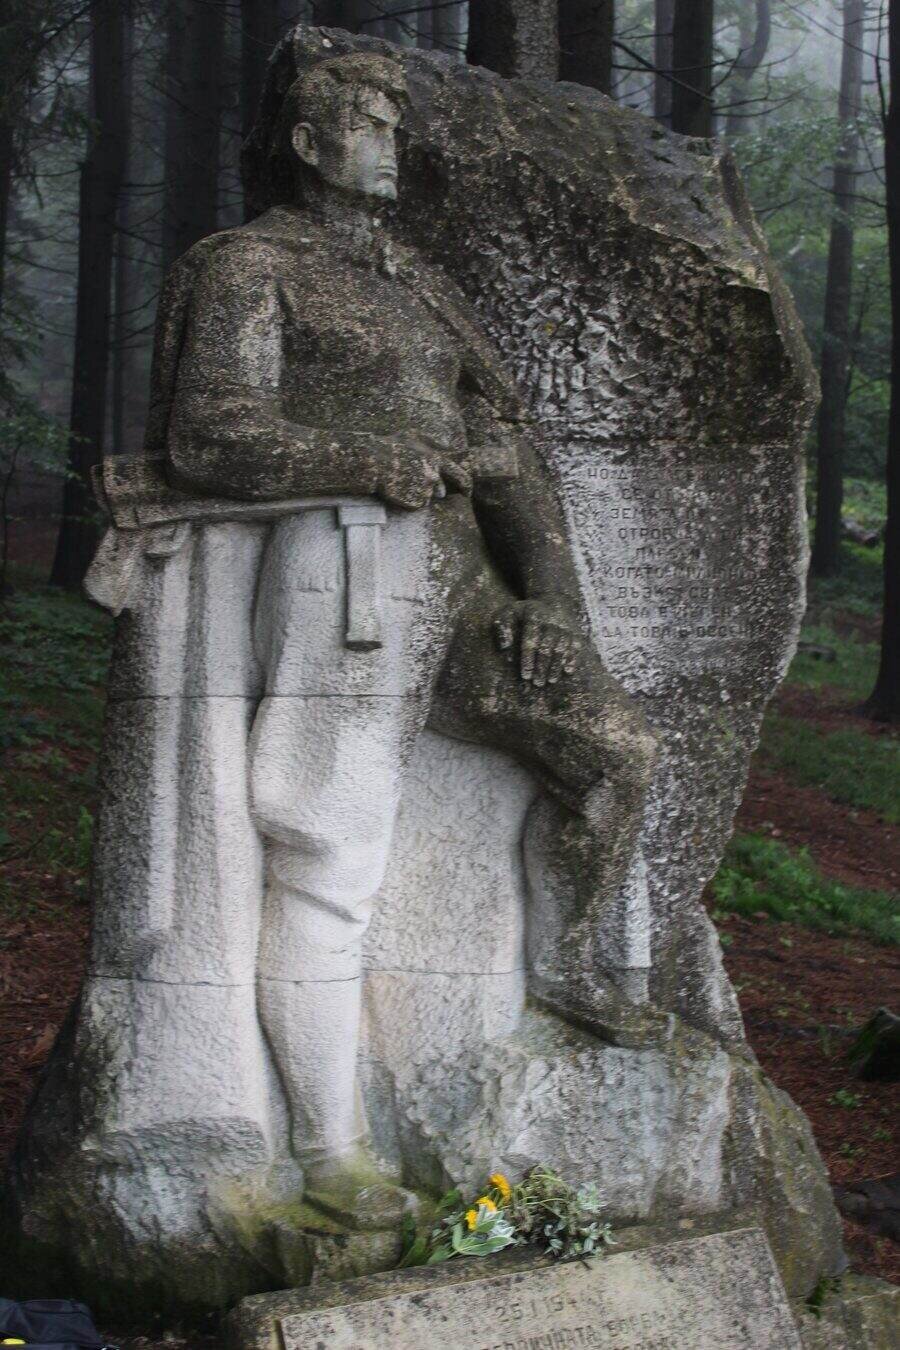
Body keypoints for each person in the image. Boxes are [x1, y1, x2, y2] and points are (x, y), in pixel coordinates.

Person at [125, 52, 659, 1231]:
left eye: (392, 126)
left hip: (464, 587)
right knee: (329, 852)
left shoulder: (418, 283)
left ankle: (565, 960)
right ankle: (329, 1145)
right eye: (368, 124)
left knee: (615, 752)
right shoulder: (252, 266)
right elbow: (209, 434)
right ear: (310, 144)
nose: (390, 146)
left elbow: (505, 450)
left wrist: (550, 598)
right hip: (345, 570)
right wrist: (366, 460)